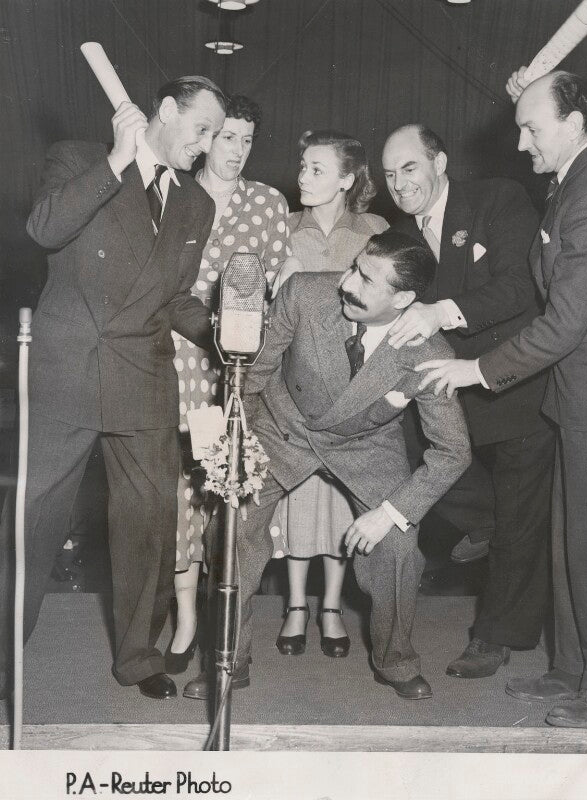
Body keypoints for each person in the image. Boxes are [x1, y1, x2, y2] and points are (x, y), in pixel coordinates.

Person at [416, 70, 587, 728]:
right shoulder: (575, 177)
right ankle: (570, 671)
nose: (521, 140)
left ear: (573, 124)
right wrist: (530, 91)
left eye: (532, 128)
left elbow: (562, 324)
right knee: (570, 541)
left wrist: (477, 371)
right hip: (581, 390)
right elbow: (555, 302)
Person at [0, 76, 226, 701]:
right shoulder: (78, 158)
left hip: (144, 375)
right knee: (34, 518)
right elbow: (44, 229)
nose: (206, 147)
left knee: (147, 522)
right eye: (201, 129)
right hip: (66, 369)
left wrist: (226, 334)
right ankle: (1, 653)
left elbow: (176, 297)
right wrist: (118, 160)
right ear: (163, 113)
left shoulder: (197, 204)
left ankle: (138, 656)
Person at [183, 230, 471, 701]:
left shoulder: (430, 353)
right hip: (283, 425)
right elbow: (251, 375)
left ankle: (395, 660)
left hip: (365, 443)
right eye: (355, 266)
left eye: (367, 278)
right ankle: (228, 661)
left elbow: (453, 451)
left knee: (399, 545)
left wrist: (391, 513)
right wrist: (233, 446)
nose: (348, 283)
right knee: (230, 529)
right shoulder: (304, 293)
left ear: (403, 299)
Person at [382, 124, 555, 680]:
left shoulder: (496, 199)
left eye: (409, 168)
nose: (399, 183)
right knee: (404, 452)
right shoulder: (400, 235)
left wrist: (440, 311)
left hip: (515, 381)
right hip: (451, 387)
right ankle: (483, 521)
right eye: (389, 174)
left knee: (522, 518)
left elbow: (519, 288)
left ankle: (497, 635)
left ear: (440, 162)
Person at [166, 94, 291, 675]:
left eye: (246, 140)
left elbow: (275, 291)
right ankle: (186, 617)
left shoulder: (268, 203)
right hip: (179, 361)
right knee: (181, 489)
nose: (237, 151)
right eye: (226, 138)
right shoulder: (173, 194)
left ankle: (227, 627)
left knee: (231, 491)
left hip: (240, 371)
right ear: (206, 139)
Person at [269, 130, 388, 660]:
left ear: (347, 178)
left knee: (342, 496)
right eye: (302, 166)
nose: (302, 177)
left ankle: (333, 607)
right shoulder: (280, 227)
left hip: (351, 386)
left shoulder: (375, 230)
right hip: (293, 384)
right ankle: (296, 605)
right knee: (297, 497)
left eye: (317, 169)